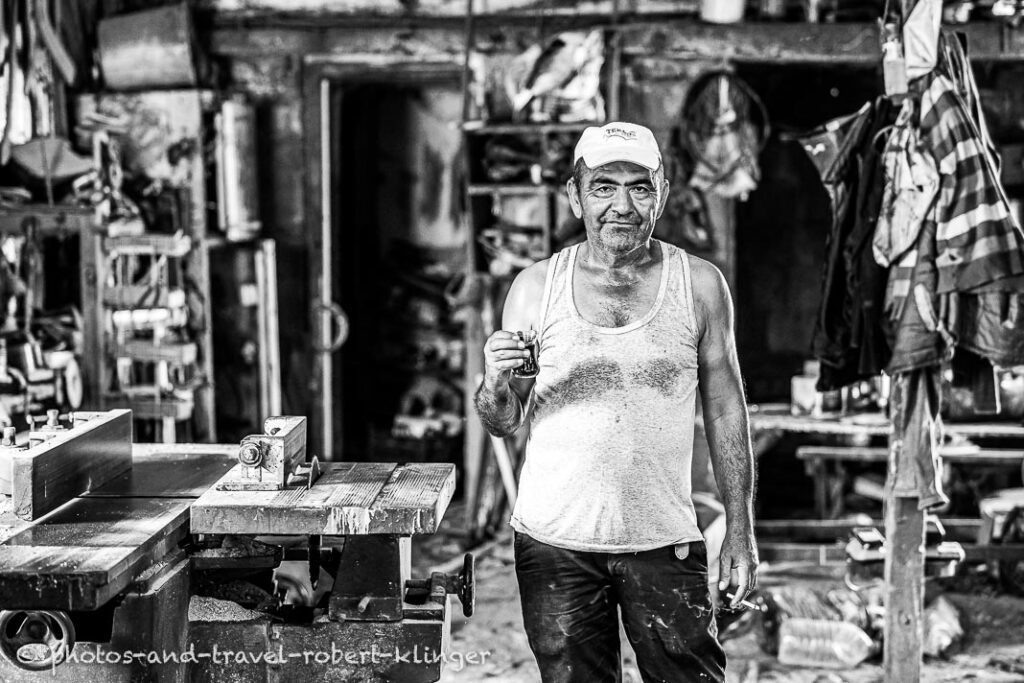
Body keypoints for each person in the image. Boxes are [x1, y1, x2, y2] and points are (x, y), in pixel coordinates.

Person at [473, 121, 758, 683]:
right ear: (575, 196)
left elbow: (727, 411)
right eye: (604, 186)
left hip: (663, 538)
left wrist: (742, 534)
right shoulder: (535, 288)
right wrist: (494, 384)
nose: (622, 205)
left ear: (663, 194)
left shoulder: (699, 286)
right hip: (555, 545)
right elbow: (504, 421)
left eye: (640, 187)